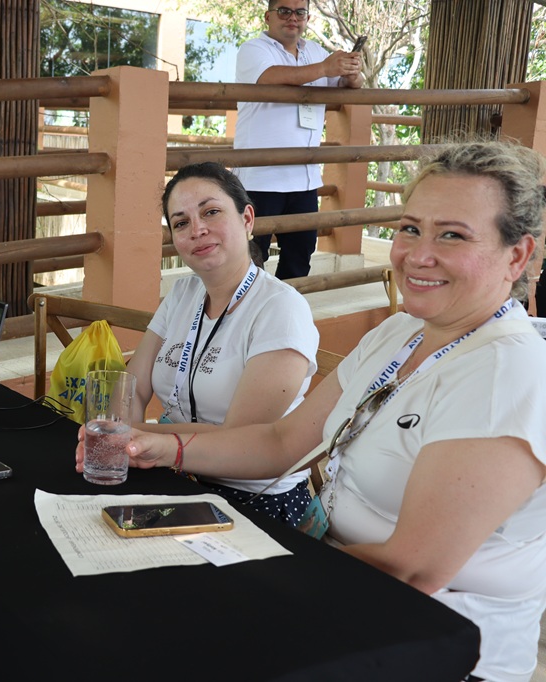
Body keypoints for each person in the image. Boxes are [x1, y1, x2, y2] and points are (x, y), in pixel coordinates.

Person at [78, 140, 546, 682]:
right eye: (410, 228)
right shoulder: (400, 332)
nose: (418, 254)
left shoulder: (508, 371)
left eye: (453, 235)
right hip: (335, 580)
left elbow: (412, 568)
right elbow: (281, 441)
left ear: (517, 256)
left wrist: (251, 571)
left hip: (435, 641)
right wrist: (159, 445)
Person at [123, 162, 319, 526]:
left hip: (250, 498)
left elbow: (237, 440)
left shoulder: (281, 308)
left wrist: (131, 437)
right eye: (181, 223)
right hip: (174, 474)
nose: (197, 230)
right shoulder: (183, 293)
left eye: (211, 212)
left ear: (247, 219)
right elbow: (132, 388)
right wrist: (128, 450)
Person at [234, 0, 362, 279]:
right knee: (249, 259)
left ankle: (284, 308)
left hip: (304, 179)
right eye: (284, 11)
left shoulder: (315, 51)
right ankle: (247, 308)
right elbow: (270, 77)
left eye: (300, 12)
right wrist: (326, 68)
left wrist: (352, 71)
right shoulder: (253, 49)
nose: (292, 17)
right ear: (268, 16)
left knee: (300, 257)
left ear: (307, 18)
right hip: (259, 180)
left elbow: (347, 84)